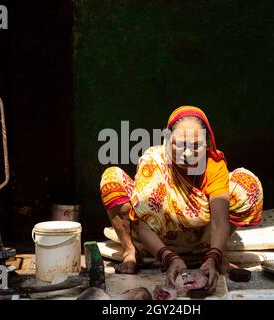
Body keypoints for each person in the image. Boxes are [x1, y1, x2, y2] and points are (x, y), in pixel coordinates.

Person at [100, 106, 263, 294]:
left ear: (208, 143)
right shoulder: (155, 162)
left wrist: (214, 257)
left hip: (199, 238)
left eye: (196, 146)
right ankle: (130, 252)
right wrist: (170, 258)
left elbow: (220, 220)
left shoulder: (213, 164)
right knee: (111, 178)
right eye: (180, 145)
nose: (187, 154)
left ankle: (209, 253)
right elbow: (144, 227)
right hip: (152, 240)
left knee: (246, 185)